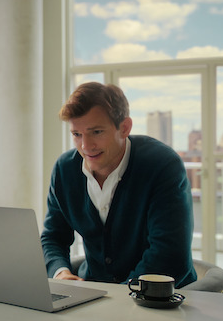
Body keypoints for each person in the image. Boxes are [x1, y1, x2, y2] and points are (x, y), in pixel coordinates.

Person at [40, 82, 197, 288]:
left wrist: (113, 299)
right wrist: (60, 273)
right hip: (97, 297)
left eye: (96, 132)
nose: (86, 146)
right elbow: (53, 237)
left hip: (162, 298)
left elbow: (168, 254)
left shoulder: (163, 166)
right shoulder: (64, 170)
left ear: (124, 128)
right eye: (77, 134)